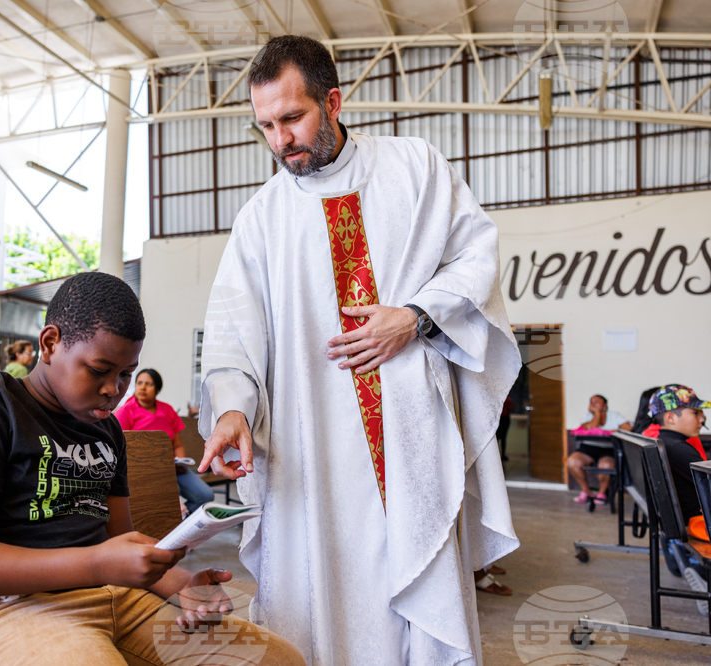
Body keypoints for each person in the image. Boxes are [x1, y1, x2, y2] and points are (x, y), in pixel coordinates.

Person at [196, 36, 521, 665]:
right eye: (265, 125)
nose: (280, 140)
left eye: (293, 118)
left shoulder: (414, 168)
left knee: (420, 590)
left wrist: (416, 316)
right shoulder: (260, 220)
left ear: (334, 101)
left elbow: (476, 254)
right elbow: (233, 332)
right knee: (317, 604)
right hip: (309, 449)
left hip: (407, 435)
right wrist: (233, 409)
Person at [0, 271, 302, 666]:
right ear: (51, 343)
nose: (113, 388)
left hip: (108, 595)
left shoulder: (106, 430)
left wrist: (181, 585)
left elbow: (121, 541)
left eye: (125, 373)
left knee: (277, 659)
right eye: (98, 369)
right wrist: (95, 563)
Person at [115, 368, 216, 516]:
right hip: (145, 471)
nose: (142, 387)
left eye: (148, 384)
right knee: (172, 496)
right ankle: (173, 522)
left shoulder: (167, 410)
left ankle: (181, 524)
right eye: (139, 383)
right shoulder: (125, 412)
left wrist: (181, 463)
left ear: (157, 389)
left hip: (173, 468)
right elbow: (121, 449)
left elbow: (178, 445)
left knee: (205, 495)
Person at [646, 385, 710, 615]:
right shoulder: (682, 450)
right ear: (671, 417)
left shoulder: (664, 443)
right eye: (695, 412)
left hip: (685, 522)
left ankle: (689, 564)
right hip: (701, 525)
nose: (702, 418)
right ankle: (701, 572)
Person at [566, 394, 631, 505]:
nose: (593, 404)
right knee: (572, 462)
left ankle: (601, 493)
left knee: (606, 466)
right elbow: (591, 427)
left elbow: (628, 429)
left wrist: (619, 428)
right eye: (591, 402)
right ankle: (586, 491)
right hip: (588, 447)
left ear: (605, 405)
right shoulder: (586, 417)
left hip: (608, 448)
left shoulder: (614, 416)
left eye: (596, 401)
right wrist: (597, 413)